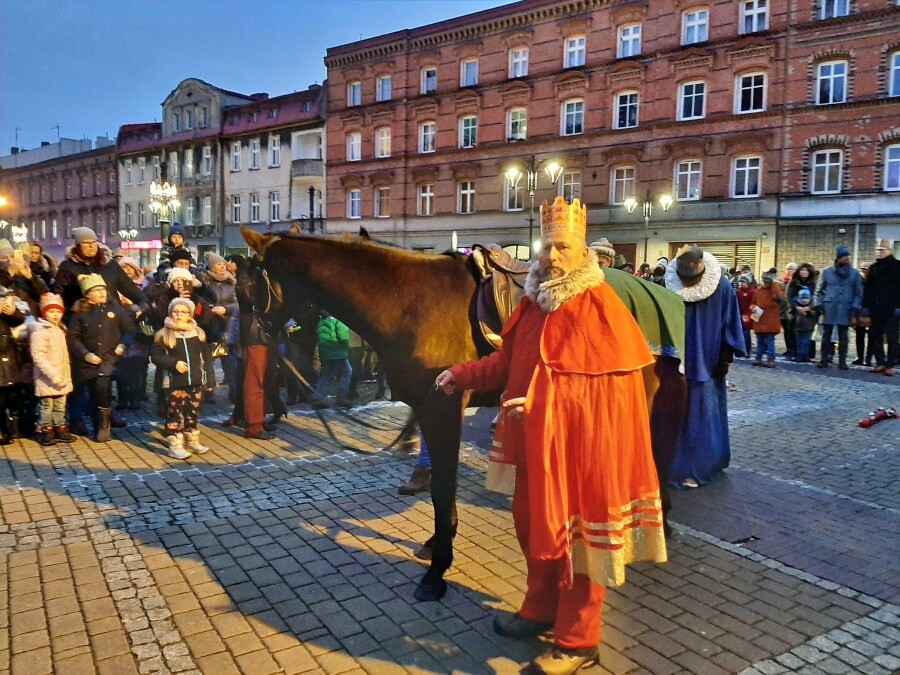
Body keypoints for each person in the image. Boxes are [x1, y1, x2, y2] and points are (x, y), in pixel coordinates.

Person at [435, 196, 666, 674]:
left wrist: (546, 406)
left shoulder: (599, 306)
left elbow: (607, 396)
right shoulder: (533, 303)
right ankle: (540, 610)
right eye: (547, 247)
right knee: (533, 530)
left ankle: (579, 641)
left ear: (583, 253)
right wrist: (461, 373)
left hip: (580, 451)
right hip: (534, 445)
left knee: (580, 542)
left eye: (563, 247)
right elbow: (507, 363)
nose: (552, 256)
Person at [665, 246, 745, 489]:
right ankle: (675, 464)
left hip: (708, 361)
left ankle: (701, 464)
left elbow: (731, 320)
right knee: (678, 412)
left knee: (703, 412)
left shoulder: (721, 287)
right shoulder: (669, 287)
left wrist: (725, 355)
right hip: (678, 359)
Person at [67, 274, 134, 441]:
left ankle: (104, 426)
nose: (102, 293)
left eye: (103, 289)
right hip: (88, 361)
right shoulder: (79, 313)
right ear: (87, 294)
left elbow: (130, 330)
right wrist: (86, 354)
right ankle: (99, 423)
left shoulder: (115, 309)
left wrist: (123, 345)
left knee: (102, 387)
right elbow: (73, 338)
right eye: (96, 290)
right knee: (94, 391)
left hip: (110, 357)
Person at [150, 297, 209, 459]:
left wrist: (209, 379)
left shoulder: (198, 333)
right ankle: (174, 444)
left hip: (195, 381)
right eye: (175, 311)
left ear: (190, 314)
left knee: (192, 411)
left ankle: (191, 440)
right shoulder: (164, 334)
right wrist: (173, 363)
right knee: (175, 413)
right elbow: (155, 356)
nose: (179, 315)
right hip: (175, 383)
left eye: (183, 312)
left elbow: (206, 358)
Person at [28, 293, 76, 446]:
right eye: (51, 311)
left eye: (58, 311)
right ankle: (44, 430)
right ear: (44, 312)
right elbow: (38, 356)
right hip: (47, 378)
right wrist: (52, 374)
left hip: (62, 376)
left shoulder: (60, 329)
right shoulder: (41, 331)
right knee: (47, 405)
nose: (55, 315)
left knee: (60, 405)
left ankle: (58, 427)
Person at [814, 245, 862, 371]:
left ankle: (842, 360)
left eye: (848, 256)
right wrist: (818, 304)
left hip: (846, 308)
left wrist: (855, 307)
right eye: (845, 256)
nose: (848, 258)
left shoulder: (854, 273)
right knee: (826, 335)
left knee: (843, 336)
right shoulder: (827, 271)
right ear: (838, 258)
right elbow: (819, 291)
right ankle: (824, 359)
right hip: (829, 307)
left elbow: (858, 293)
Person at [863, 239, 900, 376]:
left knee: (892, 337)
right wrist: (866, 306)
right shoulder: (874, 267)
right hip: (876, 308)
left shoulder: (897, 266)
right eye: (877, 250)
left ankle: (890, 364)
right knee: (876, 336)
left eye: (882, 250)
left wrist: (898, 306)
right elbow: (869, 289)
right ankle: (880, 362)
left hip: (892, 309)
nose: (879, 252)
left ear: (890, 251)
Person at [314, 311, 352, 408]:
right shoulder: (338, 321)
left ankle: (318, 398)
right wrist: (345, 348)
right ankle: (341, 397)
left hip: (326, 354)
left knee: (325, 376)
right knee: (348, 372)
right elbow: (343, 336)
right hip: (338, 353)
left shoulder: (321, 322)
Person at [750, 270, 786, 368]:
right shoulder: (758, 291)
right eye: (764, 279)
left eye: (767, 279)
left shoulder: (776, 290)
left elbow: (782, 300)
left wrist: (774, 284)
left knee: (770, 342)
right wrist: (753, 307)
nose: (765, 281)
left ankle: (771, 360)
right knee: (760, 342)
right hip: (760, 319)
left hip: (771, 321)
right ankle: (759, 358)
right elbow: (753, 302)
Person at [787, 263, 819, 361]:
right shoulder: (794, 282)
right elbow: (789, 297)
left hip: (810, 312)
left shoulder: (814, 283)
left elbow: (817, 296)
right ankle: (797, 354)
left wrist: (809, 307)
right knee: (796, 334)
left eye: (806, 270)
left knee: (808, 334)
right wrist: (796, 307)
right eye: (802, 270)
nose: (804, 272)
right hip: (796, 312)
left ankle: (806, 354)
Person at [852, 262, 873, 366]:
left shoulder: (875, 282)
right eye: (863, 270)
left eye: (866, 270)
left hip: (872, 312)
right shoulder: (857, 282)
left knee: (872, 337)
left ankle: (868, 358)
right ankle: (860, 357)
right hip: (859, 311)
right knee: (859, 336)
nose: (864, 272)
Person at [793, 287, 818, 363]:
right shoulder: (797, 307)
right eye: (803, 298)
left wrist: (809, 312)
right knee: (799, 342)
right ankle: (800, 355)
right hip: (798, 327)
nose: (804, 300)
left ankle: (805, 355)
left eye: (806, 298)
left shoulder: (812, 306)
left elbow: (815, 316)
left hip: (809, 327)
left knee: (806, 342)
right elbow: (793, 316)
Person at [735, 274, 756, 357]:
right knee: (740, 333)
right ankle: (740, 351)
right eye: (740, 282)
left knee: (746, 333)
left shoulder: (752, 291)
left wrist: (748, 315)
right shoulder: (738, 291)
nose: (741, 283)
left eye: (742, 282)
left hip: (748, 315)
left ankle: (747, 350)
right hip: (740, 315)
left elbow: (754, 304)